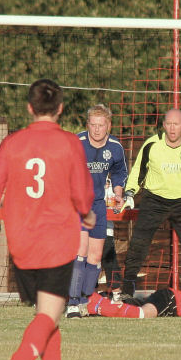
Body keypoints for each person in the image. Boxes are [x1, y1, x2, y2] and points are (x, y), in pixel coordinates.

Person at [0, 79, 94, 360]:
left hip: (22, 244)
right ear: (61, 109)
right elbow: (83, 195)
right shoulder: (70, 143)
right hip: (56, 243)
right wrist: (88, 215)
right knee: (48, 315)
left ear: (29, 107)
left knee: (46, 314)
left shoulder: (12, 143)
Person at [119, 108, 181, 295]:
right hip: (153, 200)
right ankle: (127, 290)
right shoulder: (151, 144)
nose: (172, 129)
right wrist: (130, 192)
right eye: (169, 124)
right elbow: (138, 171)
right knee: (138, 244)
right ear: (164, 125)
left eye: (176, 124)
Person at [65, 104, 127, 319]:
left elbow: (119, 173)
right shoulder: (76, 143)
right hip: (78, 204)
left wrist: (118, 194)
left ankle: (84, 300)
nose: (97, 129)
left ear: (108, 126)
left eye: (101, 125)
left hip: (99, 204)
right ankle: (72, 303)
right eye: (93, 125)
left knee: (96, 256)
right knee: (80, 250)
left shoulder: (116, 147)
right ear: (88, 124)